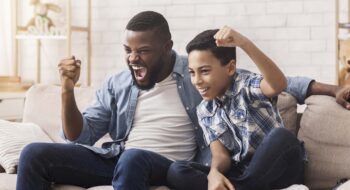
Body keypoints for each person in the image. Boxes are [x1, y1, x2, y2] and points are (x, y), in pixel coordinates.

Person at [16, 11, 350, 190]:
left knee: (137, 160)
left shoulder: (205, 75)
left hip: (160, 164)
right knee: (34, 153)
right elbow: (79, 136)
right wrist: (66, 89)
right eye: (128, 51)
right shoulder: (120, 83)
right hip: (120, 160)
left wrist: (332, 88)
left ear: (166, 47)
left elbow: (277, 82)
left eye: (143, 51)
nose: (134, 59)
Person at [167, 27, 304, 190]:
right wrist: (214, 173)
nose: (196, 81)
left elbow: (278, 84)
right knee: (177, 171)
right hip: (243, 173)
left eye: (204, 71)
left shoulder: (246, 85)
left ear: (230, 68)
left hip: (280, 168)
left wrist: (244, 43)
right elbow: (220, 155)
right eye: (192, 72)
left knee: (282, 136)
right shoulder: (204, 110)